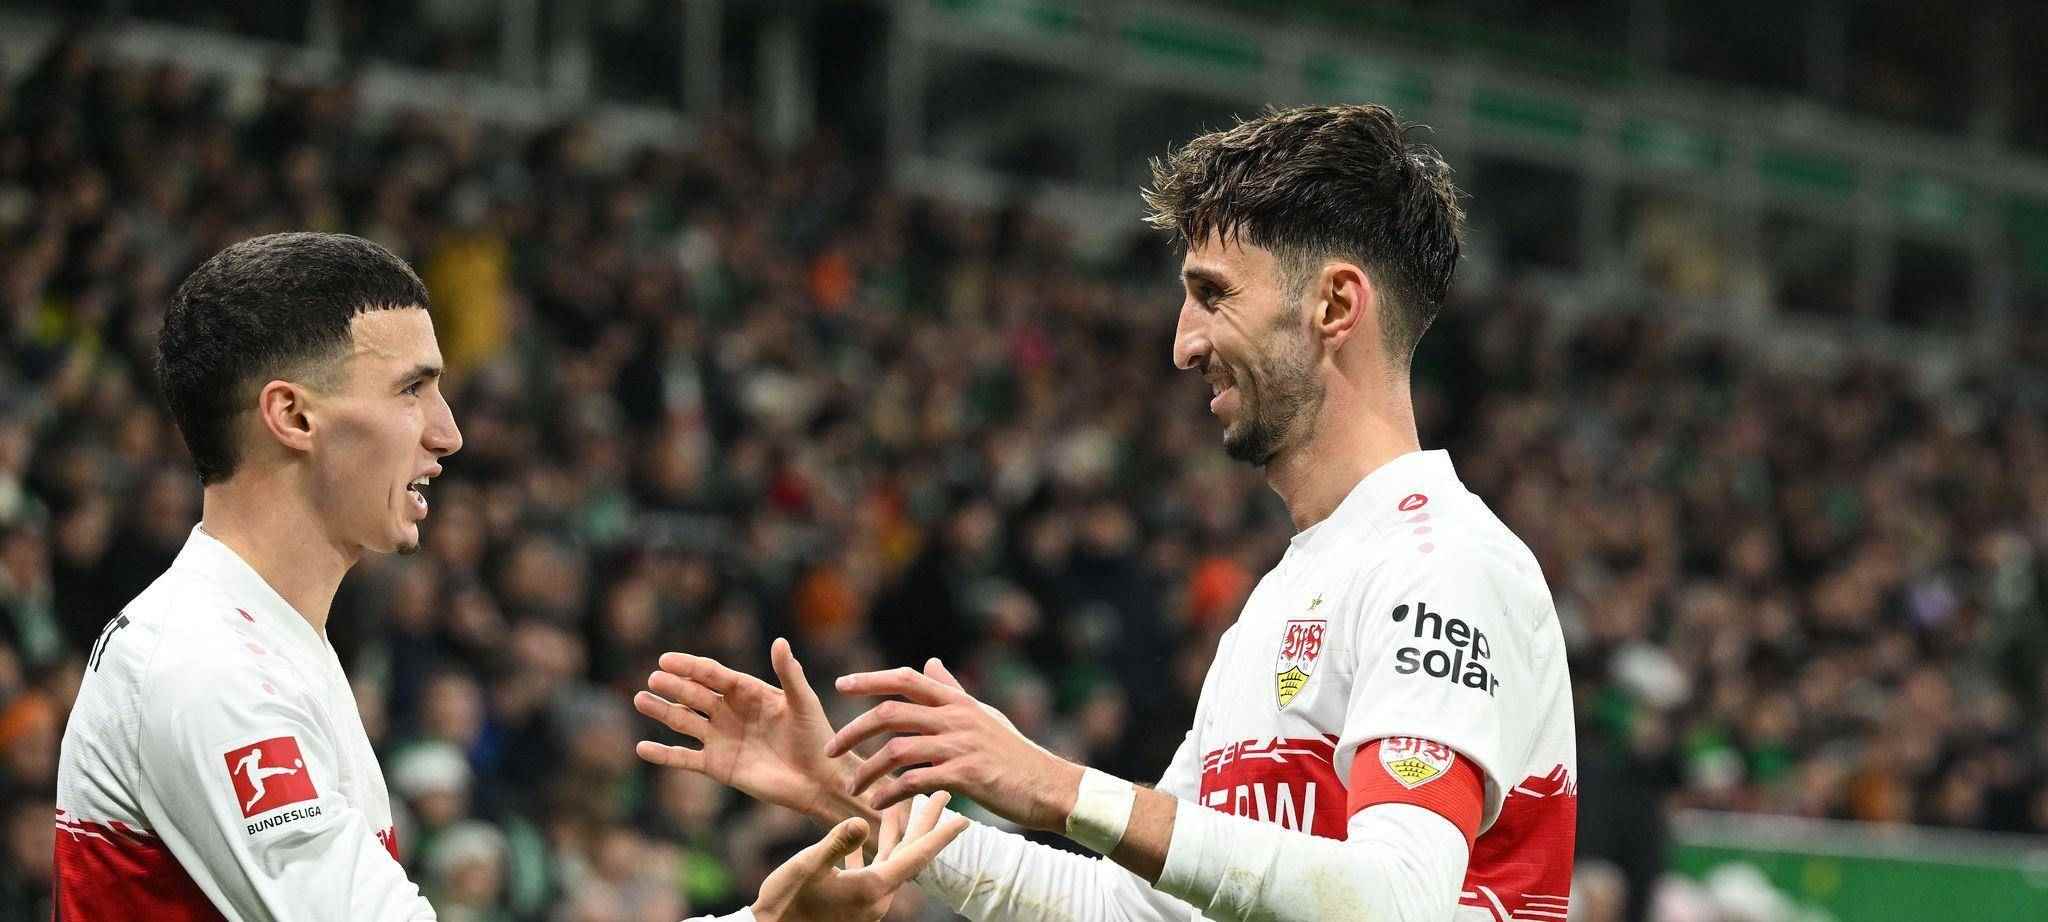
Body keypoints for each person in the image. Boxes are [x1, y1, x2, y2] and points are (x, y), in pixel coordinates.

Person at [636, 105, 1577, 922]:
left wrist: (1056, 786)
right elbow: (1124, 908)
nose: (1182, 344)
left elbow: (1396, 904)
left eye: (1213, 295)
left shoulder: (1441, 565)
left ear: (1335, 304)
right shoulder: (1286, 599)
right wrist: (851, 796)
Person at [51, 232, 966, 922]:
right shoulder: (209, 666)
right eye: (412, 390)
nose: (448, 433)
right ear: (293, 416)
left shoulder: (264, 645)